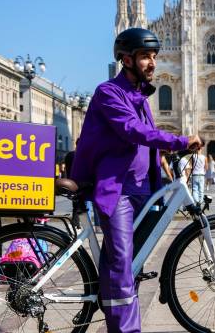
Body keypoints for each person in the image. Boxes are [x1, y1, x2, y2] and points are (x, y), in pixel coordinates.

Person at [70, 27, 200, 333]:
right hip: (118, 191)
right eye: (145, 56)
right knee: (120, 262)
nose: (152, 62)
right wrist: (178, 141)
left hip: (146, 190)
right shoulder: (109, 93)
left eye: (154, 56)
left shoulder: (140, 96)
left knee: (133, 265)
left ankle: (127, 321)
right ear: (126, 60)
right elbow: (132, 131)